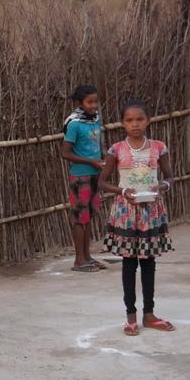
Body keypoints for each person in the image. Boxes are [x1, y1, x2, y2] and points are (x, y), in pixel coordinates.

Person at [99, 100, 175, 335]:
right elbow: (102, 182)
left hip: (151, 211)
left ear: (148, 120)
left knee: (149, 263)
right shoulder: (116, 150)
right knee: (129, 263)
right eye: (129, 120)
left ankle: (149, 314)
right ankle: (130, 316)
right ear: (122, 123)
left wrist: (161, 186)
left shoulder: (158, 147)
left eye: (140, 119)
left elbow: (169, 177)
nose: (135, 124)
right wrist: (123, 191)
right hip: (126, 212)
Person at [61, 84, 106, 273]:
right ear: (80, 103)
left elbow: (98, 147)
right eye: (89, 102)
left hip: (95, 174)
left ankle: (87, 257)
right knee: (80, 218)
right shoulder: (74, 124)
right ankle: (79, 260)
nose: (94, 105)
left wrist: (102, 162)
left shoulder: (95, 121)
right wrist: (90, 161)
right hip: (80, 176)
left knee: (88, 217)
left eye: (96, 101)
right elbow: (66, 153)